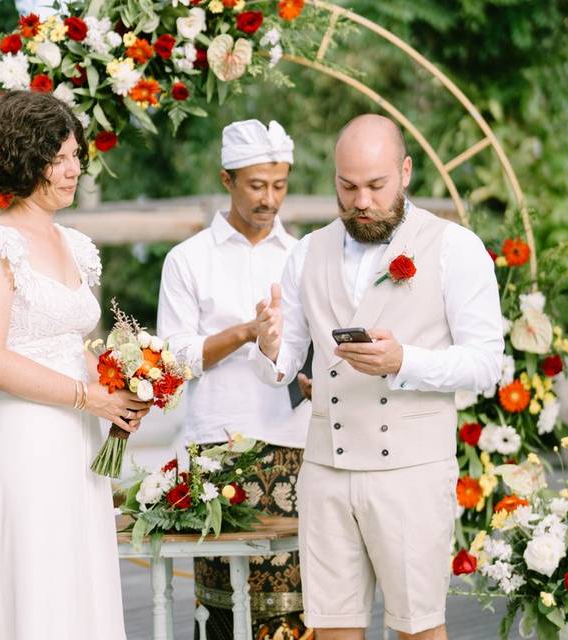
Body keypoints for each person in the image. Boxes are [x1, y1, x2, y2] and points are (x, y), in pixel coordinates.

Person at [250, 114, 504, 640]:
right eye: (347, 187)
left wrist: (404, 362)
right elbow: (287, 361)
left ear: (406, 172)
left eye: (375, 186)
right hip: (325, 470)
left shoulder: (455, 247)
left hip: (410, 475)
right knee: (332, 629)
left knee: (418, 630)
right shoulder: (306, 252)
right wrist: (270, 346)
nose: (361, 201)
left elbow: (486, 363)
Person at [0, 91, 148, 640]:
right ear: (24, 160)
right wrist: (88, 398)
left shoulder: (73, 244)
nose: (75, 167)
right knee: (38, 586)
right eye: (60, 158)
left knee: (79, 584)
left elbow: (69, 340)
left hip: (79, 440)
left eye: (76, 154)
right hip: (26, 442)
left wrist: (124, 380)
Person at [157, 119, 309, 639]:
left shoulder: (302, 257)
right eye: (257, 185)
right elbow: (174, 361)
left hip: (293, 441)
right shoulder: (188, 260)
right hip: (216, 445)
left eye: (280, 185)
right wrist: (246, 332)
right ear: (227, 180)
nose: (270, 199)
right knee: (222, 596)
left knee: (292, 592)